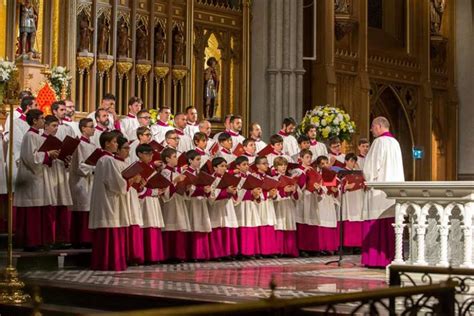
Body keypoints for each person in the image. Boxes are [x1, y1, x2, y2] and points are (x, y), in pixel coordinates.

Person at [89, 131, 140, 271]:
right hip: (110, 202)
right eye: (115, 142)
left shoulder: (103, 159)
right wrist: (131, 180)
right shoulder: (108, 160)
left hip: (107, 200)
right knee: (111, 232)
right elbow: (116, 184)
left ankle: (104, 262)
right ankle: (110, 263)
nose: (117, 145)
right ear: (107, 143)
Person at [362, 116, 404, 267]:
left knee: (377, 223)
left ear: (379, 126)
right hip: (393, 191)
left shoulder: (379, 142)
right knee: (390, 224)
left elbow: (372, 167)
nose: (371, 130)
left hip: (379, 191)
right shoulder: (395, 143)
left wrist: (367, 179)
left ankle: (375, 259)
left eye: (372, 127)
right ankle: (389, 257)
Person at [14, 109, 57, 250]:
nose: (44, 121)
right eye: (42, 118)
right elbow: (30, 158)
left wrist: (52, 155)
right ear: (34, 121)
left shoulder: (38, 136)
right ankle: (32, 242)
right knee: (33, 213)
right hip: (32, 178)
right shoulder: (30, 136)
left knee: (41, 210)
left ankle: (42, 241)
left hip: (40, 176)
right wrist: (47, 154)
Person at [69, 118, 96, 247]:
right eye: (91, 126)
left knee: (89, 208)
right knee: (82, 209)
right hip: (81, 181)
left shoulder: (92, 145)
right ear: (83, 128)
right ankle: (80, 239)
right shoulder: (79, 144)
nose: (93, 129)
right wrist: (94, 168)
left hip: (90, 180)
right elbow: (79, 166)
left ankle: (88, 239)